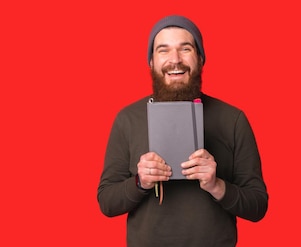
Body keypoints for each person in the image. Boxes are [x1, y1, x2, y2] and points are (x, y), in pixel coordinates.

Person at [97, 15, 269, 246]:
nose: (175, 60)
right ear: (151, 62)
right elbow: (107, 202)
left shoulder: (233, 119)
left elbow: (258, 206)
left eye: (185, 48)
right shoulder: (128, 118)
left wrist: (217, 185)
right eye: (163, 50)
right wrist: (140, 182)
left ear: (200, 58)